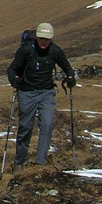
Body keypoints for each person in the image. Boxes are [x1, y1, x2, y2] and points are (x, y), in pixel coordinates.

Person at [6, 22, 75, 167]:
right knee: (25, 127)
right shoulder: (26, 50)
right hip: (27, 93)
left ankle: (40, 163)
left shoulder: (55, 51)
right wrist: (14, 80)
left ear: (51, 39)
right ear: (37, 37)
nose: (44, 42)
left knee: (47, 124)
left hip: (47, 93)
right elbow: (12, 69)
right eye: (42, 38)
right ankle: (19, 162)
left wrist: (70, 77)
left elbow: (67, 68)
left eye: (47, 39)